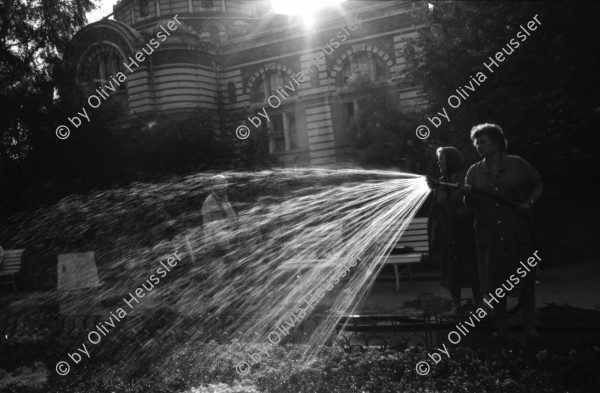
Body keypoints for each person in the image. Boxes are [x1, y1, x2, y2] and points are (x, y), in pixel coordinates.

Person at [462, 123, 543, 340]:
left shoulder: (518, 164)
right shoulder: (474, 171)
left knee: (525, 284)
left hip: (518, 234)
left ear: (497, 142)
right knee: (497, 286)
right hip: (490, 237)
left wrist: (529, 203)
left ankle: (530, 328)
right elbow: (471, 204)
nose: (478, 146)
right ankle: (501, 329)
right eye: (476, 142)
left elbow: (538, 184)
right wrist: (467, 195)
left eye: (483, 141)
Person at [427, 147, 483, 315]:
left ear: (452, 160)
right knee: (450, 269)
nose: (439, 163)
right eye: (439, 160)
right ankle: (456, 306)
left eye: (442, 159)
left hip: (466, 231)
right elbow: (437, 209)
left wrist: (462, 213)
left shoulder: (468, 176)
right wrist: (435, 235)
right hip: (447, 232)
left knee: (472, 267)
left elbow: (476, 203)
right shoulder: (440, 182)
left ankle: (479, 305)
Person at [201, 175, 239, 278]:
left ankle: (232, 278)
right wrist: (209, 246)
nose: (223, 187)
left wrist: (235, 228)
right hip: (219, 242)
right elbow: (207, 225)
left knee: (233, 266)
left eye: (224, 184)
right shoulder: (208, 202)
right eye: (219, 185)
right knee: (224, 269)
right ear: (214, 187)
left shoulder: (224, 198)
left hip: (229, 237)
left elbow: (231, 215)